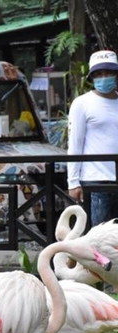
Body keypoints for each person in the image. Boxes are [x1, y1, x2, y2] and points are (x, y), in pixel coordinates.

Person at [68, 49, 118, 225]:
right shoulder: (82, 103)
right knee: (99, 236)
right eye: (99, 73)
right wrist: (73, 182)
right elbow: (75, 143)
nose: (104, 77)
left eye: (108, 72)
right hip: (95, 180)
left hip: (115, 175)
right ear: (92, 77)